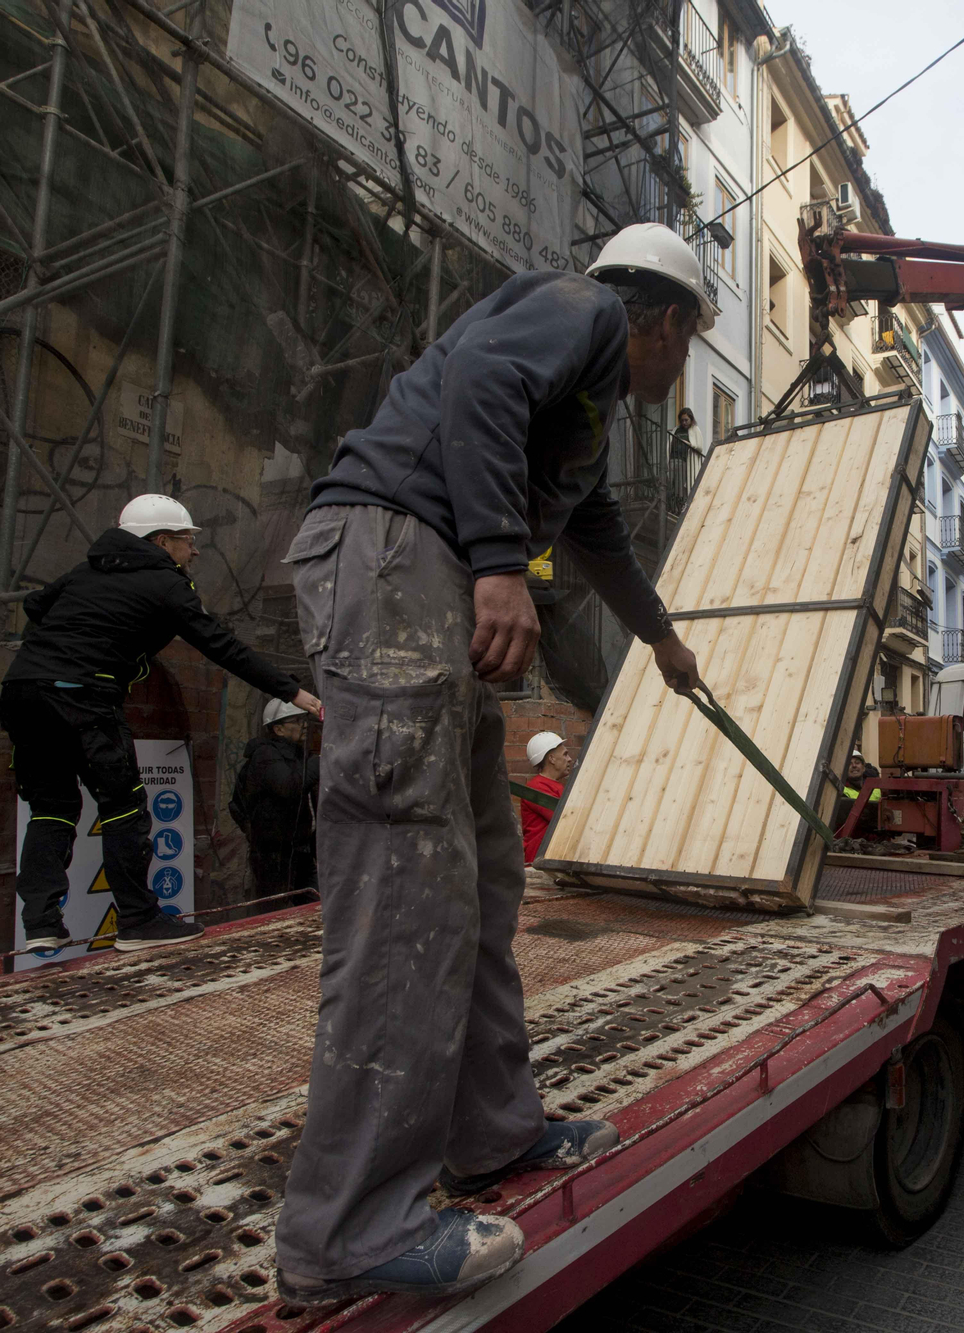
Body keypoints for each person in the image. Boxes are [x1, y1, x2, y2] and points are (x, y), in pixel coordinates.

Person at [276, 222, 711, 1302]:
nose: (683, 369)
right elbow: (477, 379)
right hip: (396, 559)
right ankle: (348, 1229)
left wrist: (656, 636)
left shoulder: (586, 406)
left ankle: (491, 1130)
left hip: (419, 569)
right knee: (405, 892)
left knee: (475, 876)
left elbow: (598, 533)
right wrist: (497, 565)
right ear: (659, 318)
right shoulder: (581, 310)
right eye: (690, 344)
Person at [2, 494, 323, 953]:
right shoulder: (165, 584)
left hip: (22, 693)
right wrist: (292, 691)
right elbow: (221, 646)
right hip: (84, 697)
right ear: (160, 540)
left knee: (52, 807)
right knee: (124, 807)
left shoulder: (84, 573)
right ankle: (137, 920)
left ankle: (40, 923)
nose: (194, 551)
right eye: (188, 541)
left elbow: (36, 605)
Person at [230, 698, 319, 901]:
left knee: (312, 908)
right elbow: (289, 786)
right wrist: (316, 764)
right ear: (278, 730)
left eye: (303, 719)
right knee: (274, 911)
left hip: (299, 851)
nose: (304, 724)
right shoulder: (265, 755)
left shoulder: (297, 756)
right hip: (273, 855)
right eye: (296, 720)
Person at [518, 730, 571, 864]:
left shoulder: (554, 786)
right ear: (552, 759)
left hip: (552, 859)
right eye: (565, 754)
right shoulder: (536, 788)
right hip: (540, 861)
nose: (569, 759)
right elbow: (565, 820)